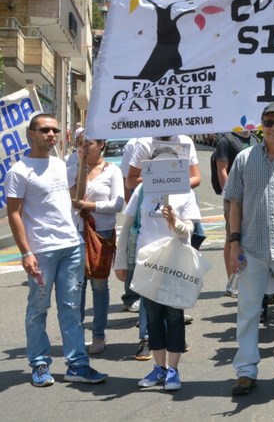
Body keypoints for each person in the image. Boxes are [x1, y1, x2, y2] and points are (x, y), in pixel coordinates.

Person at [6, 112, 108, 387]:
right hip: (42, 250)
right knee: (38, 308)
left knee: (72, 308)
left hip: (71, 245)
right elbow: (14, 214)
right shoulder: (19, 171)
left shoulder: (59, 164)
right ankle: (39, 363)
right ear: (31, 134)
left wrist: (84, 166)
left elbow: (76, 196)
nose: (51, 135)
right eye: (44, 130)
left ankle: (77, 364)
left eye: (54, 130)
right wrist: (26, 252)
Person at [221, 102, 274, 395]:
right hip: (251, 246)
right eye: (268, 122)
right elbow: (234, 201)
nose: (273, 128)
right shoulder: (244, 159)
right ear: (261, 125)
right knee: (247, 310)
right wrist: (233, 242)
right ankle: (246, 371)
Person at [115, 146, 200, 391]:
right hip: (147, 263)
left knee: (174, 317)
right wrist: (121, 262)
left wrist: (176, 224)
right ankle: (159, 368)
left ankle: (173, 370)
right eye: (157, 164)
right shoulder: (142, 190)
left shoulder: (185, 193)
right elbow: (128, 225)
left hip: (174, 263)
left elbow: (189, 231)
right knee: (153, 318)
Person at [69, 137, 124, 355]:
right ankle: (76, 334)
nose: (83, 146)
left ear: (101, 144)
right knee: (77, 286)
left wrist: (88, 205)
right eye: (79, 142)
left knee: (99, 285)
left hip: (101, 233)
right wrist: (79, 170)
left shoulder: (112, 171)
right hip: (75, 232)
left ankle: (98, 334)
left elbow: (117, 204)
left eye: (88, 142)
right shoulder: (73, 167)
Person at [214, 129, 258, 296]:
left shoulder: (253, 138)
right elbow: (222, 170)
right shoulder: (226, 140)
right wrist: (231, 195)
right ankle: (232, 279)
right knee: (231, 236)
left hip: (251, 195)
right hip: (234, 198)